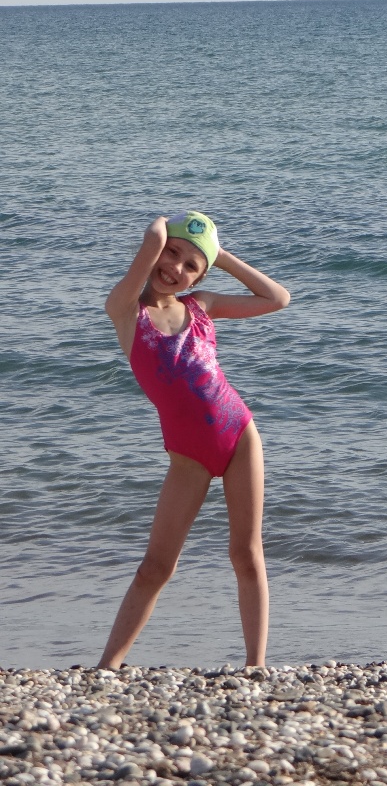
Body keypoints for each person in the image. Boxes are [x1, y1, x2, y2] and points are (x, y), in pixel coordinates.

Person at [98, 211, 290, 669]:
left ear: (200, 277)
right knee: (155, 567)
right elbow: (151, 240)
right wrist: (164, 230)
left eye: (191, 266)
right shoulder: (126, 309)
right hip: (188, 457)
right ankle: (107, 666)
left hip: (239, 435)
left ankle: (256, 666)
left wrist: (219, 256)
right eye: (172, 254)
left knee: (246, 554)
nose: (176, 268)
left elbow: (277, 298)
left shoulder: (201, 305)